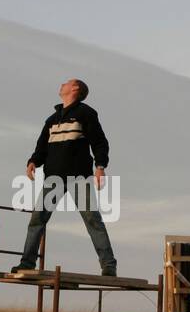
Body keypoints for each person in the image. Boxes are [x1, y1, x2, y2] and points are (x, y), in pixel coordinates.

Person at [11, 78, 117, 277]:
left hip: (79, 177)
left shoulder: (86, 113)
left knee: (93, 220)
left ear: (75, 89)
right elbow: (41, 146)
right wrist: (33, 161)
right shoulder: (51, 119)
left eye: (66, 83)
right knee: (37, 220)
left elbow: (100, 142)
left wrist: (100, 166)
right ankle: (26, 263)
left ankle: (109, 265)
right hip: (53, 178)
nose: (62, 84)